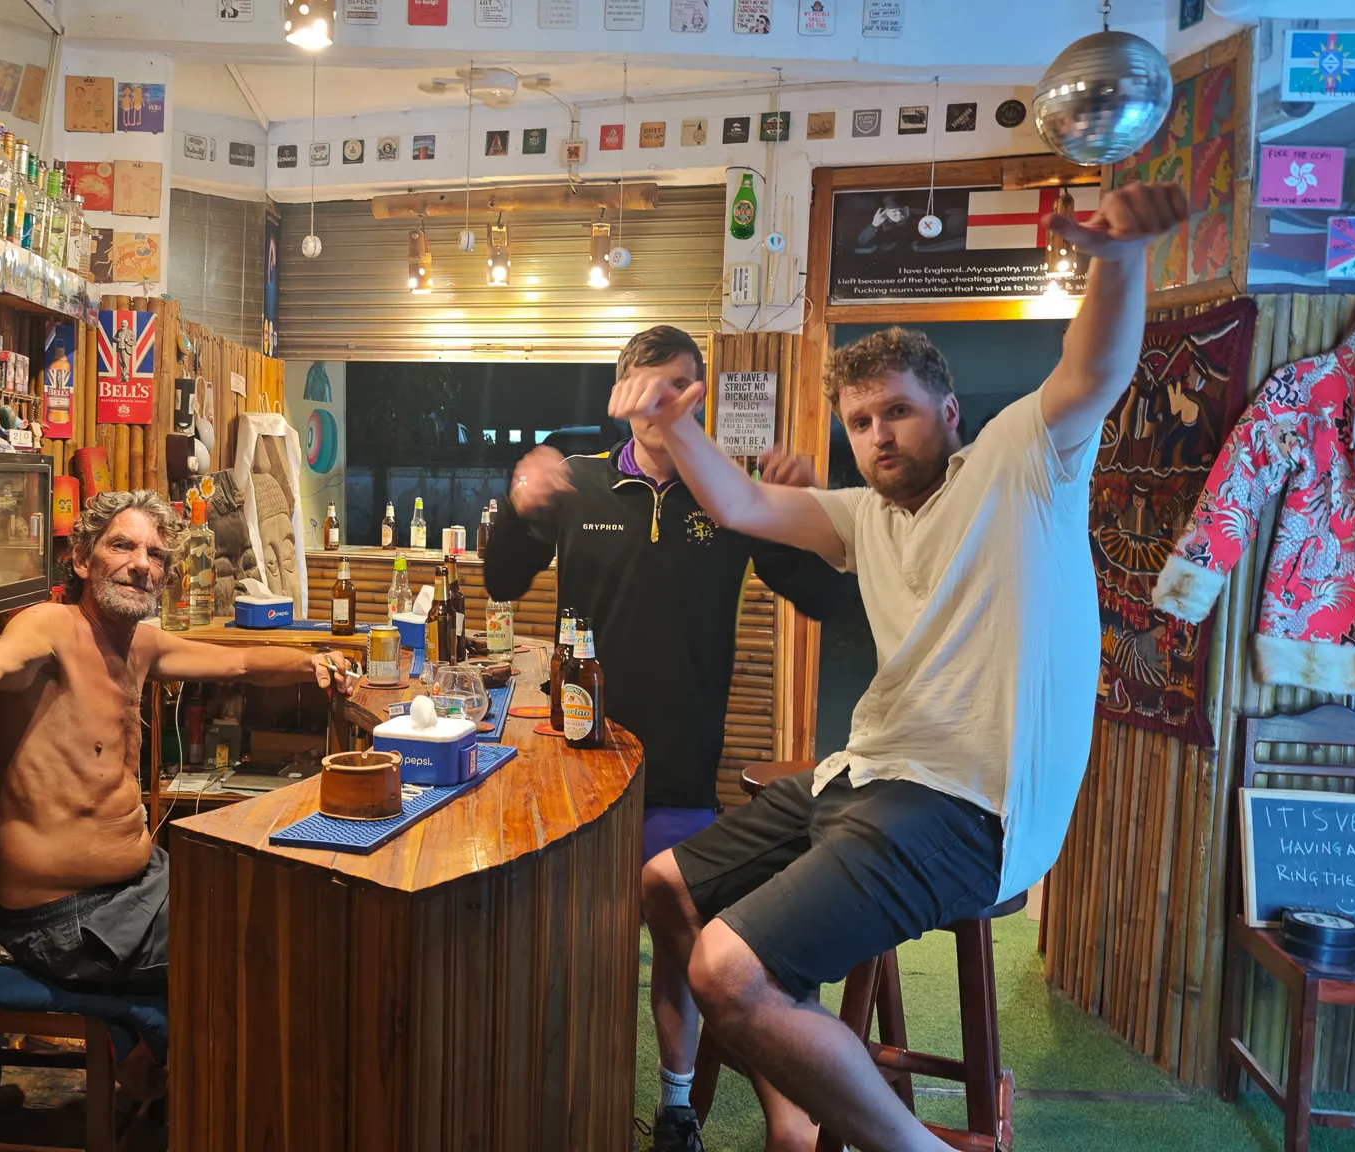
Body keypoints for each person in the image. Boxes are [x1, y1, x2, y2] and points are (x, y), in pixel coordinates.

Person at [617, 181, 1188, 1152]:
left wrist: (1118, 256)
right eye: (858, 423)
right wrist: (671, 422)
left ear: (949, 412)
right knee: (662, 884)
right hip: (868, 775)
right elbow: (743, 508)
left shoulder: (1016, 465)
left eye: (896, 414)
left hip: (970, 804)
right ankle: (793, 1112)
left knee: (725, 969)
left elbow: (1091, 371)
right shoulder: (860, 514)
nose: (877, 437)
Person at [0, 489, 354, 991]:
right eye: (122, 545)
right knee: (271, 942)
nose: (141, 563)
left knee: (278, 898)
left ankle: (155, 1058)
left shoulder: (141, 646)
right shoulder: (49, 627)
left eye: (155, 554)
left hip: (134, 890)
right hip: (64, 919)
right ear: (81, 559)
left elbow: (241, 661)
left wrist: (313, 663)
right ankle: (174, 1066)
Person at [487, 324, 848, 870]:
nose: (660, 405)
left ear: (698, 396)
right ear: (624, 395)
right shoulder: (575, 482)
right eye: (648, 388)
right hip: (583, 743)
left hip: (684, 763)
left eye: (676, 388)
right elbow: (502, 583)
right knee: (583, 923)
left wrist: (806, 510)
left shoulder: (733, 496)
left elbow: (824, 598)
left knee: (674, 915)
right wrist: (519, 502)